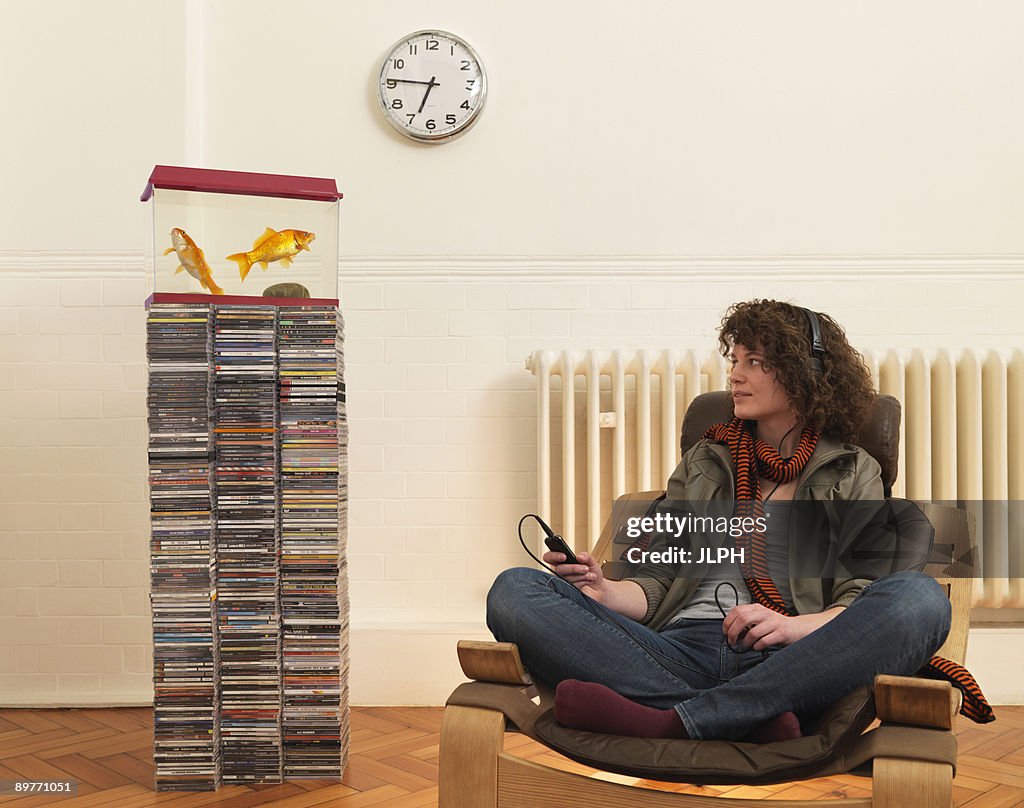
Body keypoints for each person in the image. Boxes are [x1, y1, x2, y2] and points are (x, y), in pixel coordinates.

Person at [486, 299, 953, 742]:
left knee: (921, 600)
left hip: (791, 660)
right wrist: (601, 591)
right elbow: (658, 581)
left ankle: (671, 721)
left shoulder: (853, 470)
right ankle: (744, 717)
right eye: (735, 360)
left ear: (805, 373)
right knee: (515, 590)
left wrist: (792, 628)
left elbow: (858, 596)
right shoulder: (704, 462)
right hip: (675, 653)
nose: (735, 374)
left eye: (754, 362)